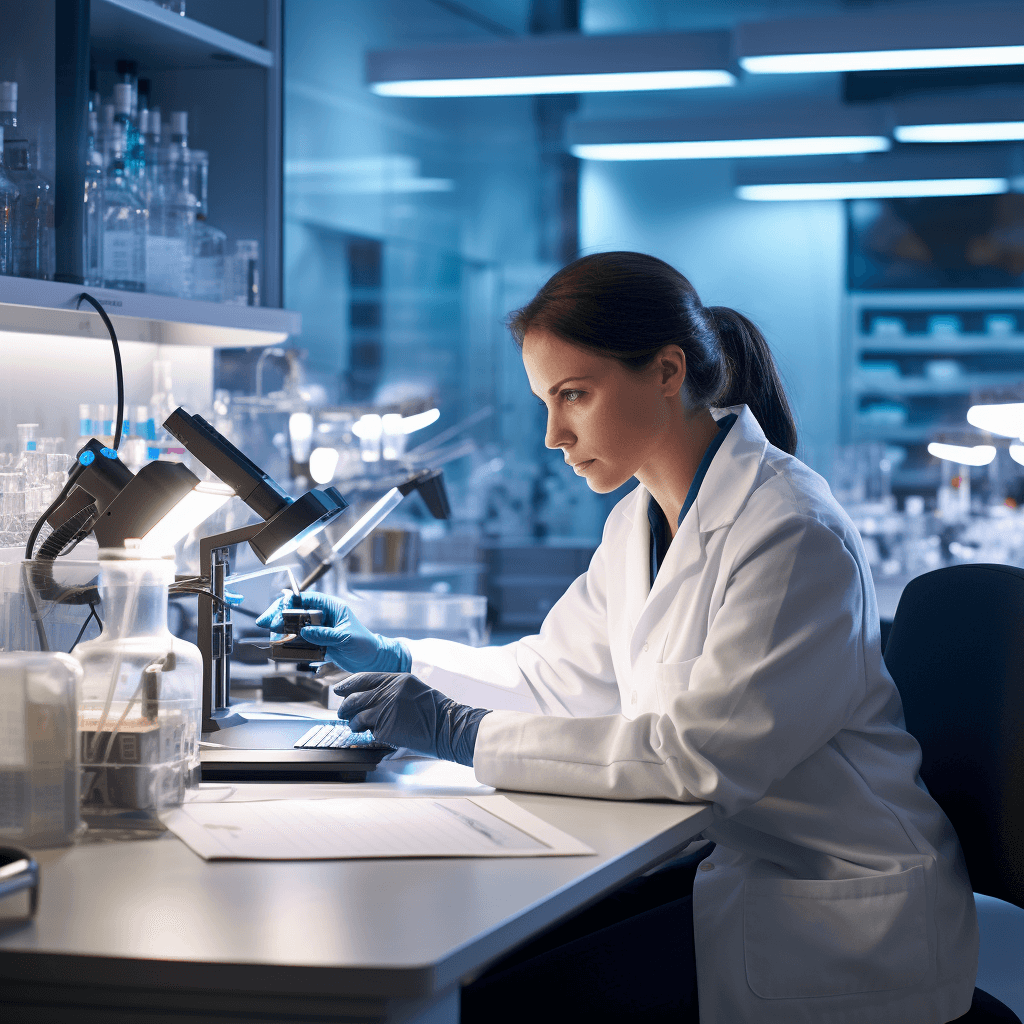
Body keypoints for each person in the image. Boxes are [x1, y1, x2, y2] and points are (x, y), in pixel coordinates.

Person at [259, 252, 979, 1024]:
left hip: (831, 909)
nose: (552, 434)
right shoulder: (639, 518)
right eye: (545, 400)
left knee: (503, 1002)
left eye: (574, 395)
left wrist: (454, 730)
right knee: (493, 976)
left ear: (667, 372)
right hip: (732, 867)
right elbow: (554, 676)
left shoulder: (792, 532)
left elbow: (698, 759)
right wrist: (401, 659)